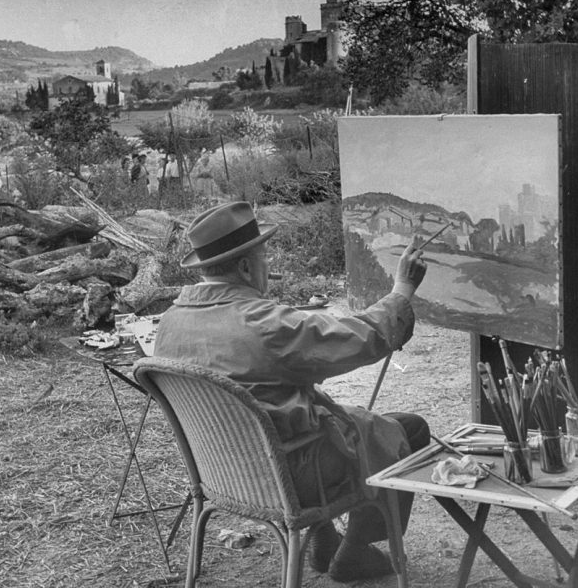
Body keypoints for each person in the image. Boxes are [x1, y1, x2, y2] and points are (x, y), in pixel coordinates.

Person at [153, 201, 429, 583]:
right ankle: (353, 554)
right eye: (264, 256)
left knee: (305, 417)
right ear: (247, 267)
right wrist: (402, 289)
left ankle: (324, 535)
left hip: (222, 469)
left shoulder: (170, 322)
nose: (268, 265)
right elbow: (358, 338)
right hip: (287, 475)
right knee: (409, 429)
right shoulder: (264, 324)